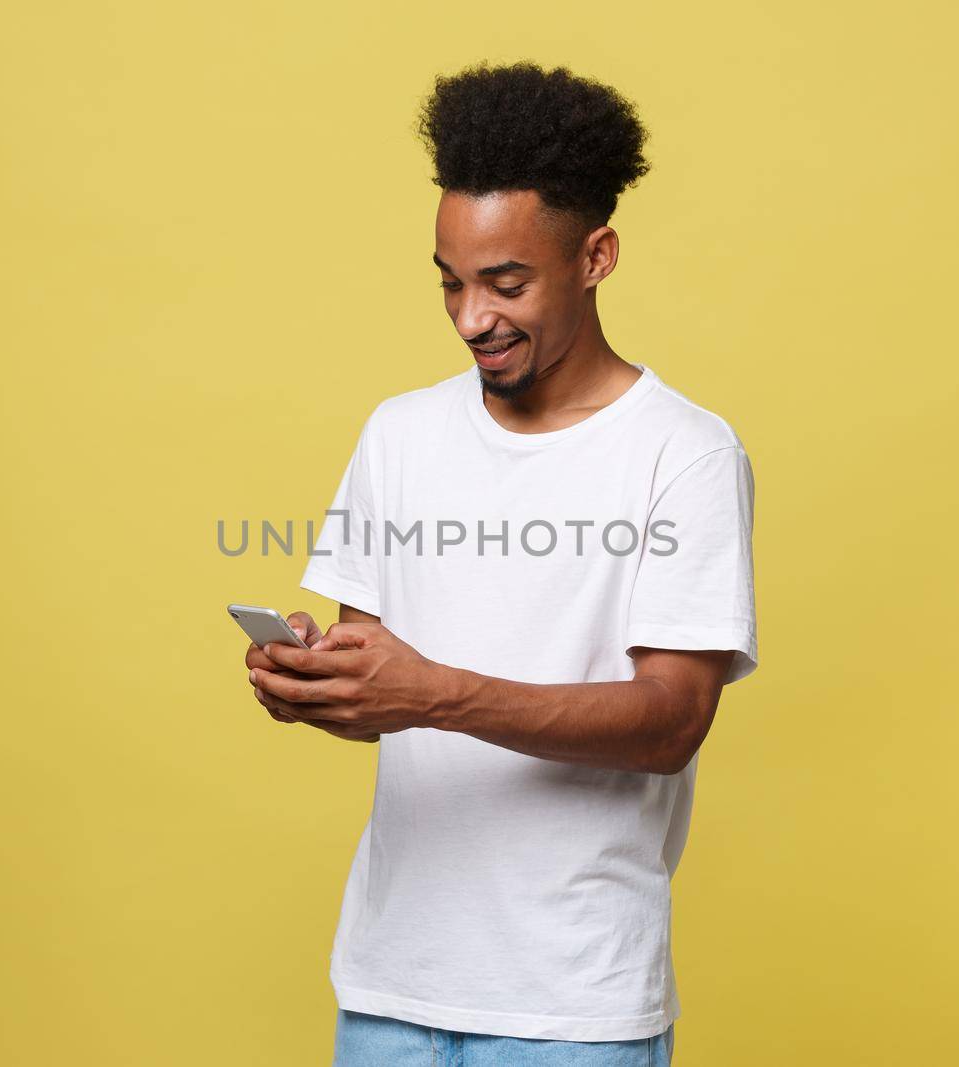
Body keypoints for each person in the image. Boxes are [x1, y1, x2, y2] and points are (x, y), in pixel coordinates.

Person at [243, 59, 757, 1066]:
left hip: (572, 1003)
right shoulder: (400, 433)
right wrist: (316, 682)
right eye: (451, 282)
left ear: (596, 255)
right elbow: (379, 682)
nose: (472, 315)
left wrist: (437, 692)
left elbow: (670, 722)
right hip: (391, 981)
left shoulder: (684, 453)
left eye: (506, 283)